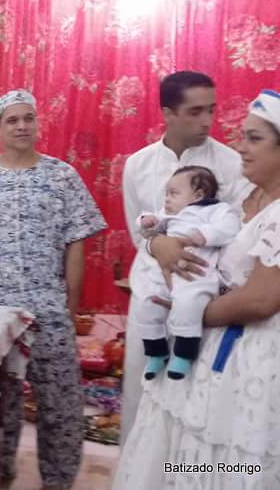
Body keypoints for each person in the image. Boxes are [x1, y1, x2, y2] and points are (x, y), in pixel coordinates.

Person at [113, 89, 280, 489]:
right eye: (243, 136)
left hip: (252, 355)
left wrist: (187, 313)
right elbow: (161, 232)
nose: (242, 147)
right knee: (181, 454)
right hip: (207, 339)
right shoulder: (250, 195)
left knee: (232, 460)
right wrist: (158, 244)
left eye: (255, 139)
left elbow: (261, 299)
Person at [0, 90, 107, 490]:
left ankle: (57, 480)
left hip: (49, 309)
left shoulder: (62, 177)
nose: (22, 126)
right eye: (12, 120)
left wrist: (70, 307)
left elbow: (75, 245)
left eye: (29, 118)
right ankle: (1, 475)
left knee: (60, 403)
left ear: (38, 123)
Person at [120, 71, 252, 442]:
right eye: (195, 112)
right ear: (168, 113)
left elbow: (237, 233)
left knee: (194, 398)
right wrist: (157, 245)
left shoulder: (231, 163)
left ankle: (186, 472)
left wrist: (188, 249)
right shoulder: (138, 164)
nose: (207, 121)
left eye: (211, 109)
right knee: (141, 389)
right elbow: (138, 232)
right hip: (150, 289)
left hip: (202, 291)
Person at [135, 166, 240, 380]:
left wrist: (204, 235)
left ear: (198, 195)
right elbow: (148, 232)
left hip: (196, 273)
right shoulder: (169, 214)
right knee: (147, 302)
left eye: (173, 193)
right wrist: (145, 221)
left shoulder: (218, 210)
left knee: (188, 303)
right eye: (166, 193)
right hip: (165, 272)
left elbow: (230, 228)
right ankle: (156, 351)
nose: (167, 199)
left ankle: (183, 355)